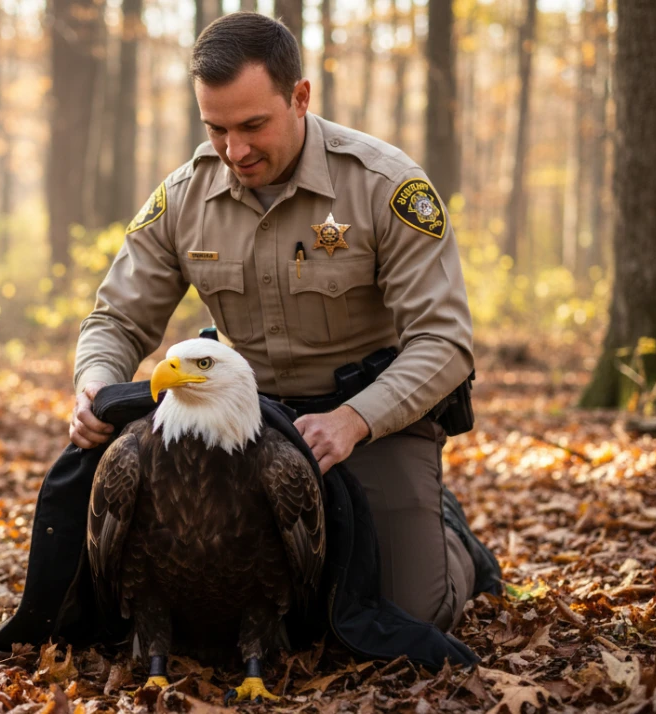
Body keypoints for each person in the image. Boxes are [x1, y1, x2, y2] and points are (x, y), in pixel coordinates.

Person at [69, 12, 477, 632]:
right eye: (216, 129)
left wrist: (354, 420)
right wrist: (95, 381)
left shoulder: (385, 185)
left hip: (371, 420)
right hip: (248, 423)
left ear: (300, 97)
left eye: (254, 125)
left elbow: (444, 342)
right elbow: (117, 316)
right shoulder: (184, 197)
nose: (235, 151)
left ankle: (448, 533)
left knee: (406, 617)